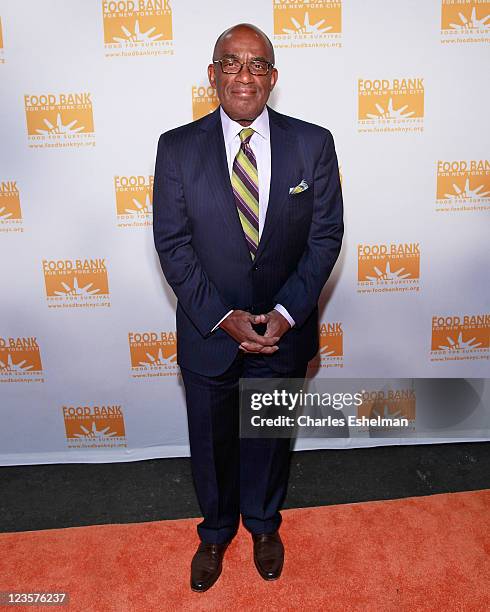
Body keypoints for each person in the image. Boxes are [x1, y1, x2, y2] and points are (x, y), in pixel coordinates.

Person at [152, 23, 343, 592]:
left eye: (258, 64)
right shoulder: (176, 147)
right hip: (210, 331)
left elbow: (325, 237)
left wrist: (284, 314)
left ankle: (263, 525)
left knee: (268, 437)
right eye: (232, 64)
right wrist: (223, 317)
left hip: (283, 331)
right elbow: (173, 244)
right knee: (210, 442)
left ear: (273, 78)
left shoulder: (314, 143)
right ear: (212, 76)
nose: (245, 75)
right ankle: (214, 533)